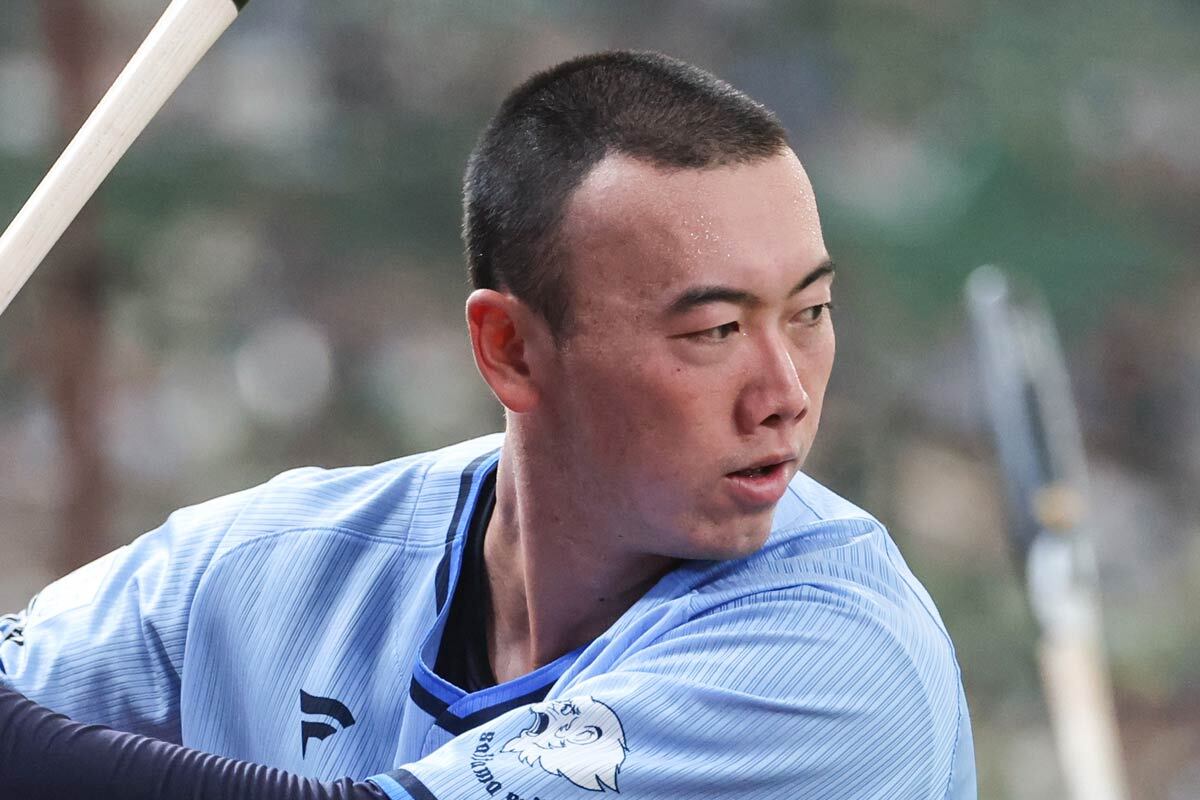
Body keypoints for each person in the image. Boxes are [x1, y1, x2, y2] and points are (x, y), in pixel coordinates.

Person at [0, 50, 976, 799]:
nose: (786, 392)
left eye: (810, 312)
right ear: (510, 348)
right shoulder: (268, 565)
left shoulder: (842, 656)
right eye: (715, 330)